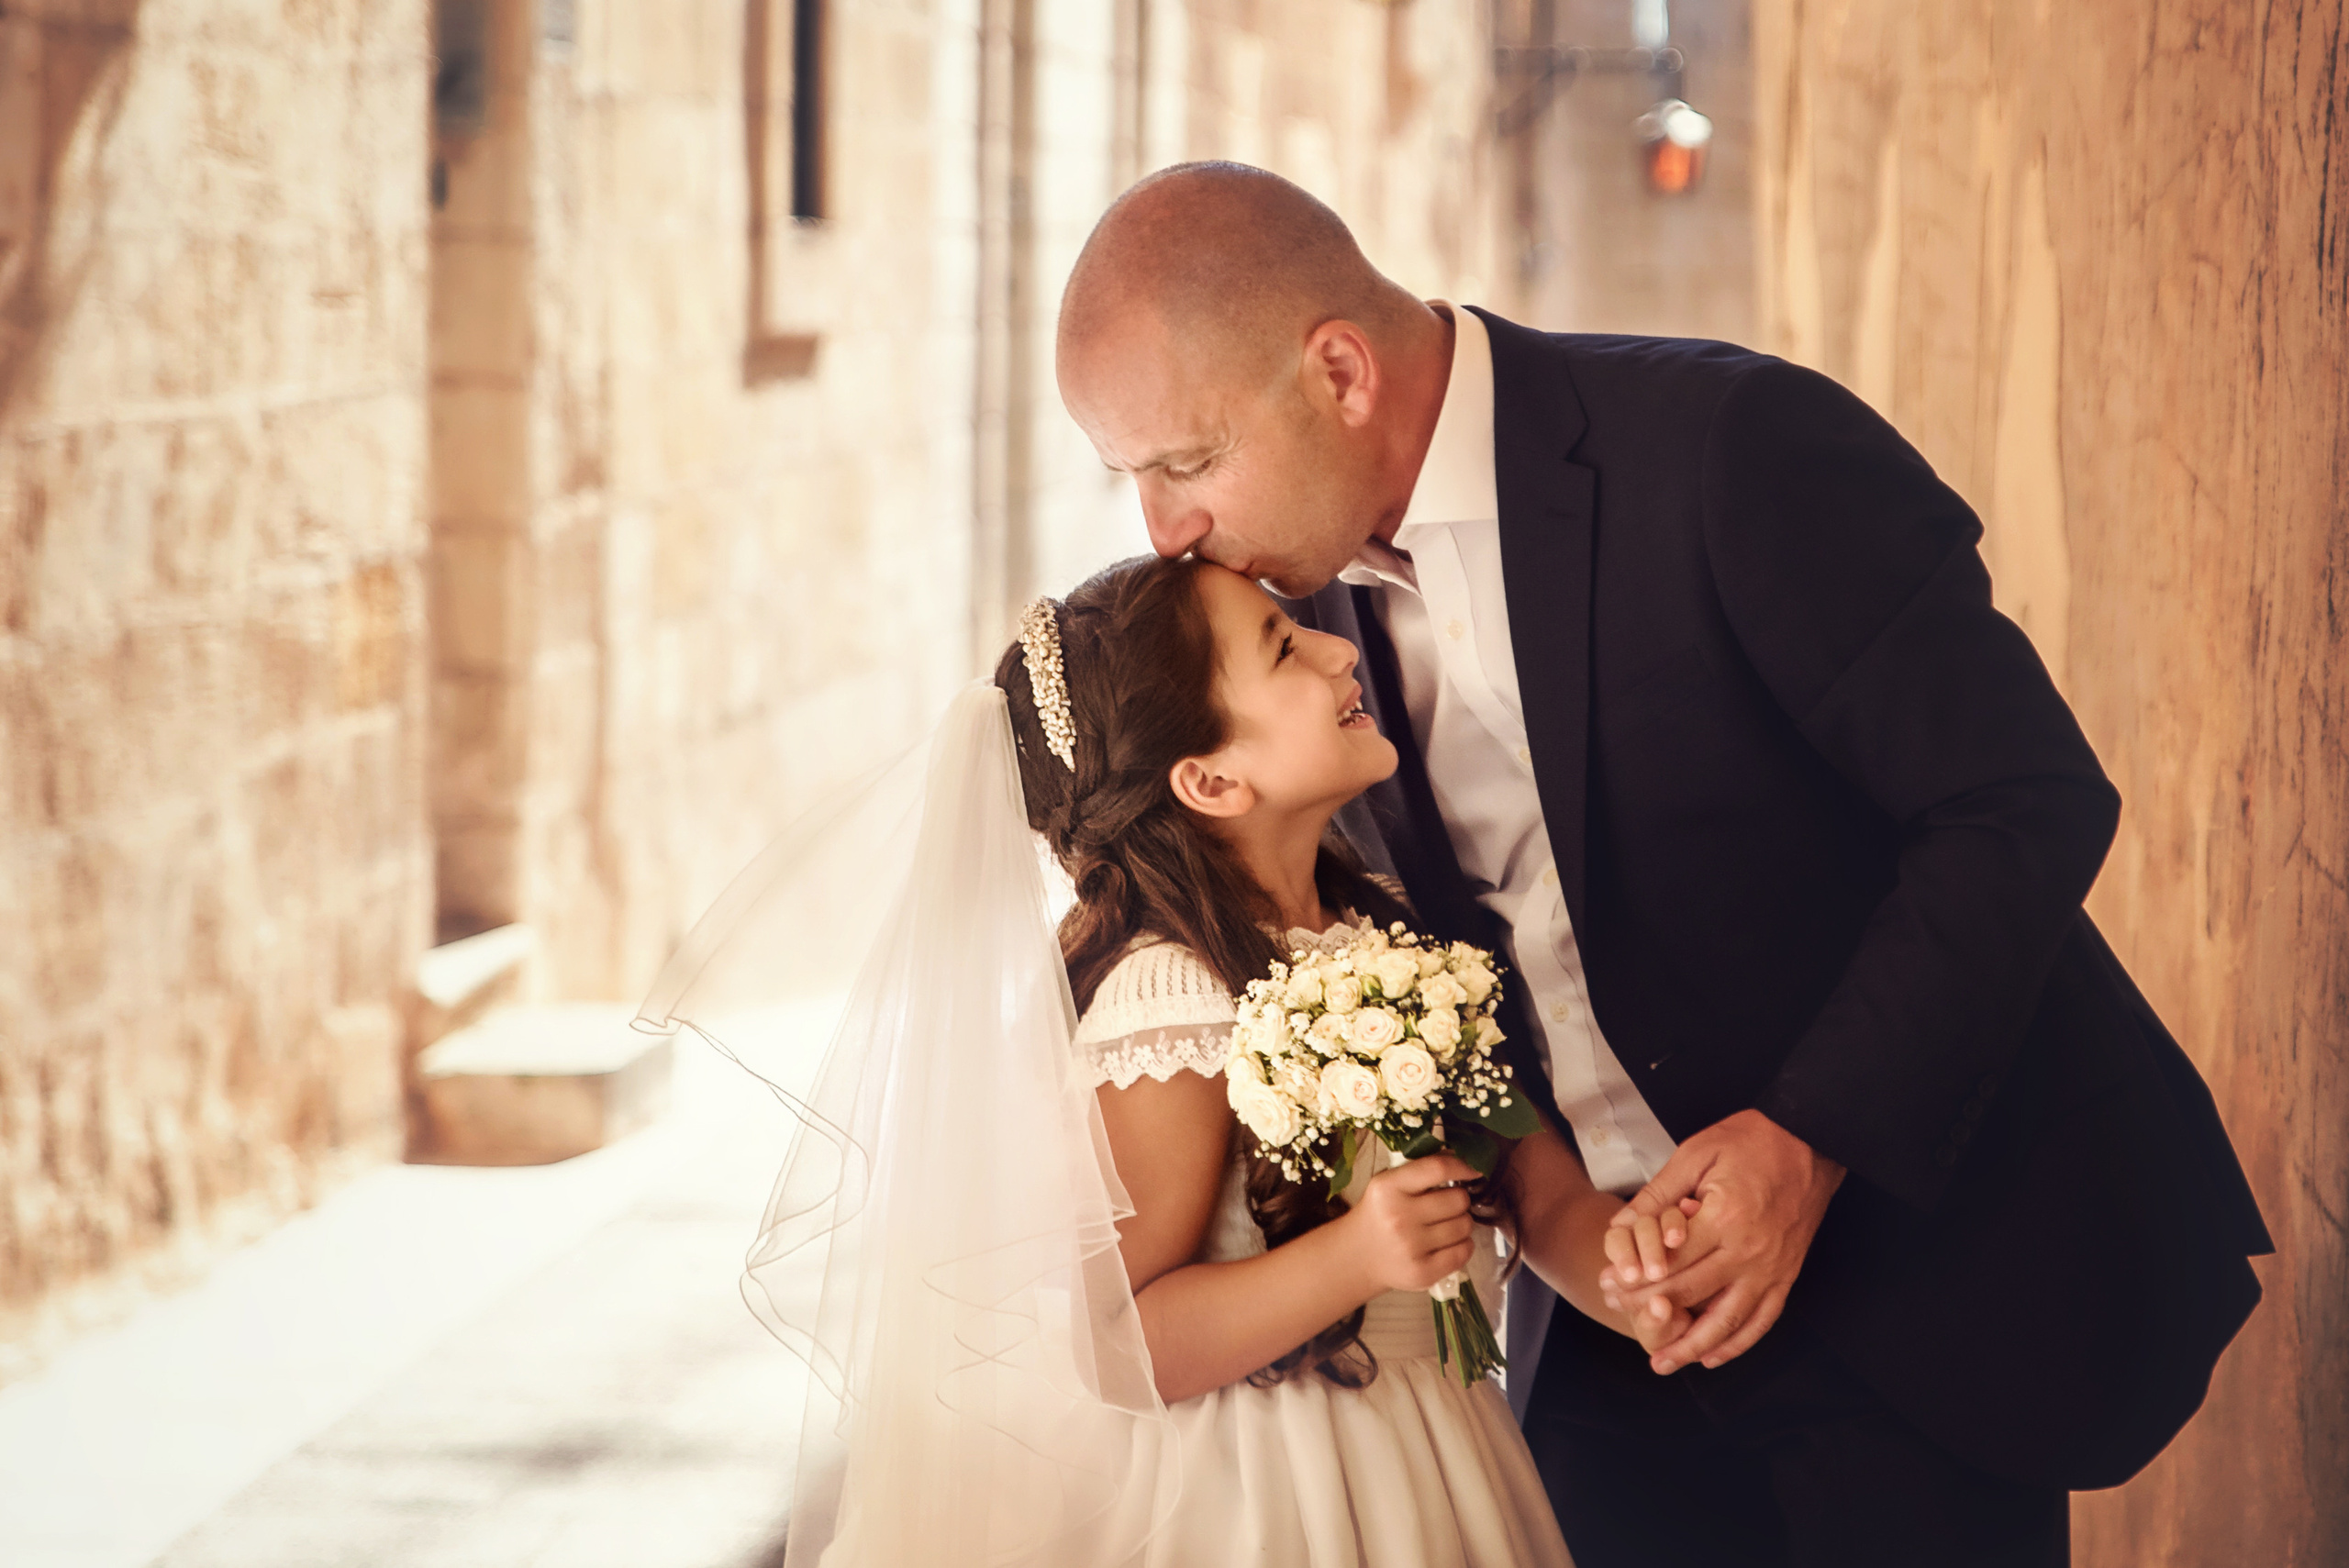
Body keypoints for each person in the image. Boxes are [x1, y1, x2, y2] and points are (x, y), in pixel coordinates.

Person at [1052, 161, 2273, 1568]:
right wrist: (1561, 1224)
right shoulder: (1284, 631)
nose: (1163, 527)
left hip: (1905, 1292)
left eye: (1184, 462)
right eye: (1132, 476)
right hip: (1603, 1348)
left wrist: (1806, 1141)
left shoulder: (1729, 446)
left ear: (1338, 371)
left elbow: (2018, 799)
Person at [640, 553, 1686, 1566]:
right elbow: (1120, 1341)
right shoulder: (1169, 996)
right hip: (1260, 1486)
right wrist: (1355, 1258)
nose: (1335, 650)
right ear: (1210, 777)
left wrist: (1659, 1279)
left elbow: (1541, 1197)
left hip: (1434, 1448)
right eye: (1281, 648)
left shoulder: (1390, 931)